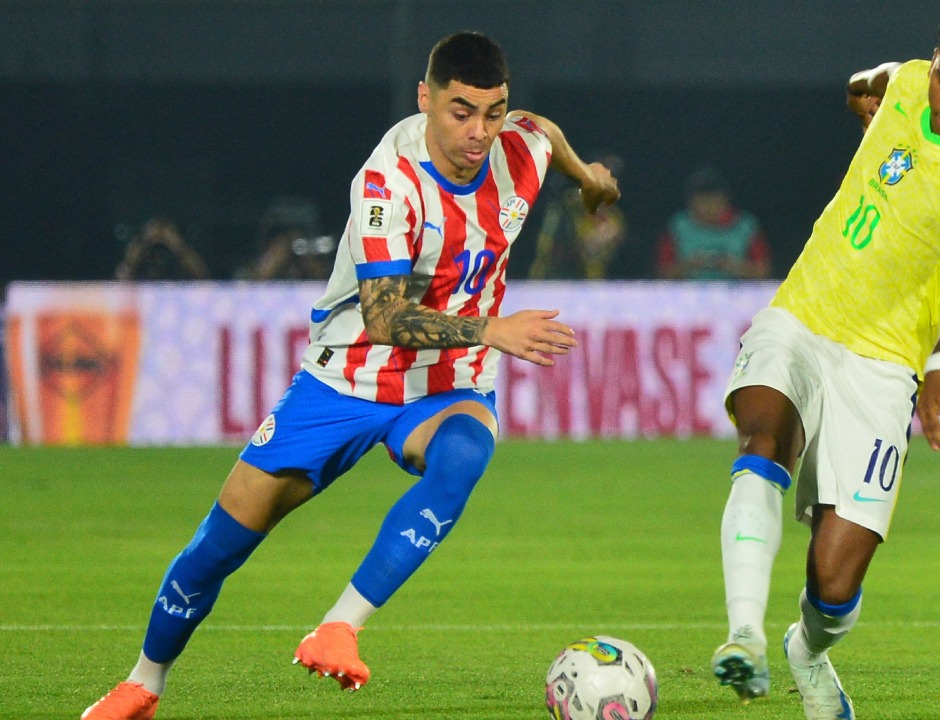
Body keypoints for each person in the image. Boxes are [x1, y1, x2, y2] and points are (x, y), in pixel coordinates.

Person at [82, 31, 619, 720]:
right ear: (425, 98)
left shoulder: (519, 148)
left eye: (493, 112)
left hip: (446, 383)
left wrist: (588, 177)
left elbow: (540, 129)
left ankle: (339, 626)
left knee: (464, 455)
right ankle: (143, 682)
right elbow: (385, 317)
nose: (480, 131)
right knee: (220, 544)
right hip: (346, 380)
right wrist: (491, 329)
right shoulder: (387, 185)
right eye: (461, 112)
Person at [709, 5, 940, 719]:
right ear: (934, 63)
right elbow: (870, 83)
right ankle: (743, 637)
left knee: (833, 584)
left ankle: (806, 648)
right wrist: (867, 96)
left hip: (885, 365)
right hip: (803, 315)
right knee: (764, 433)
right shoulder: (911, 81)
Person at [656, 166, 771, 280]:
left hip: (736, 290)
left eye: (714, 200)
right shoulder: (677, 226)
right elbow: (662, 273)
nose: (710, 208)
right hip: (689, 290)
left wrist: (737, 267)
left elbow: (764, 272)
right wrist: (688, 266)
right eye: (703, 201)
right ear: (690, 203)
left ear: (726, 201)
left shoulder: (746, 226)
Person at [527, 152, 629, 279]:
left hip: (592, 287)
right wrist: (586, 247)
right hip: (554, 285)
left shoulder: (615, 218)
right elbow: (550, 254)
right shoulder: (565, 209)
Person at [114, 218, 210, 281]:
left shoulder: (180, 257)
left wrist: (178, 245)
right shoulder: (141, 255)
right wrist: (144, 242)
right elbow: (121, 278)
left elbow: (202, 277)